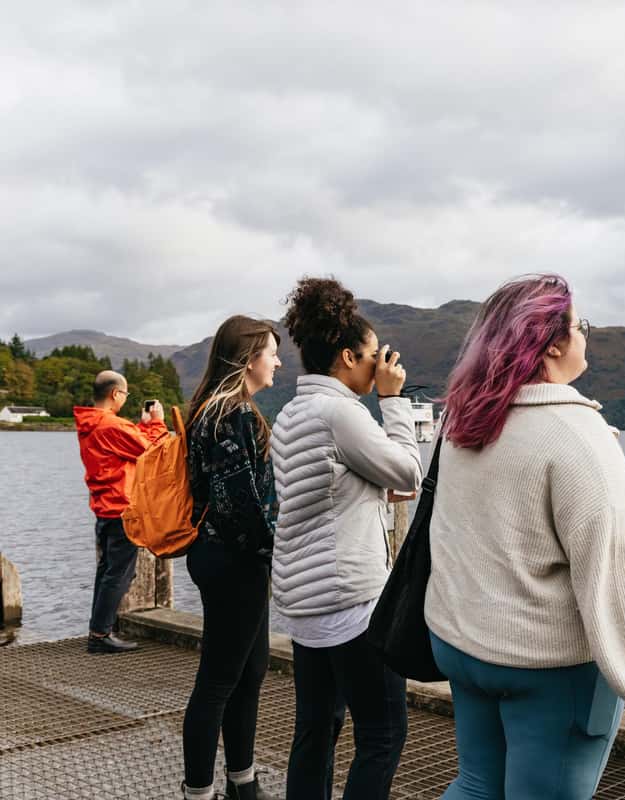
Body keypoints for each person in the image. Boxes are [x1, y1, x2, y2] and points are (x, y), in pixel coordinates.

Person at [425, 275, 625, 800]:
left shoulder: (461, 422)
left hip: (460, 642)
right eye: (580, 326)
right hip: (543, 663)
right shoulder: (577, 433)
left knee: (477, 786)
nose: (586, 336)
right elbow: (616, 570)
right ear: (552, 343)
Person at [271, 277, 422, 800]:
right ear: (345, 356)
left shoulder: (290, 414)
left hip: (307, 604)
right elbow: (408, 471)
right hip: (352, 605)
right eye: (371, 355)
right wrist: (393, 400)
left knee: (315, 732)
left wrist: (372, 491)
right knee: (383, 735)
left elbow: (322, 492)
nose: (379, 364)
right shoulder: (341, 413)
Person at [180, 316, 282, 800]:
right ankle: (198, 792)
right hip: (233, 562)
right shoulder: (230, 416)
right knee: (219, 680)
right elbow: (240, 508)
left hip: (224, 558)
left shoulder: (214, 412)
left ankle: (243, 781)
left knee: (250, 668)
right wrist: (281, 547)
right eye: (271, 352)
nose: (278, 361)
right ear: (247, 358)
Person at [74, 370, 168, 654]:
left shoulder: (91, 424)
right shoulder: (111, 425)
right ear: (115, 393)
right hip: (121, 508)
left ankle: (98, 628)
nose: (125, 400)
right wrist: (158, 422)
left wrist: (140, 426)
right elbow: (153, 450)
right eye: (125, 395)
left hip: (104, 508)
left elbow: (128, 443)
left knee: (107, 573)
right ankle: (100, 635)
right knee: (120, 575)